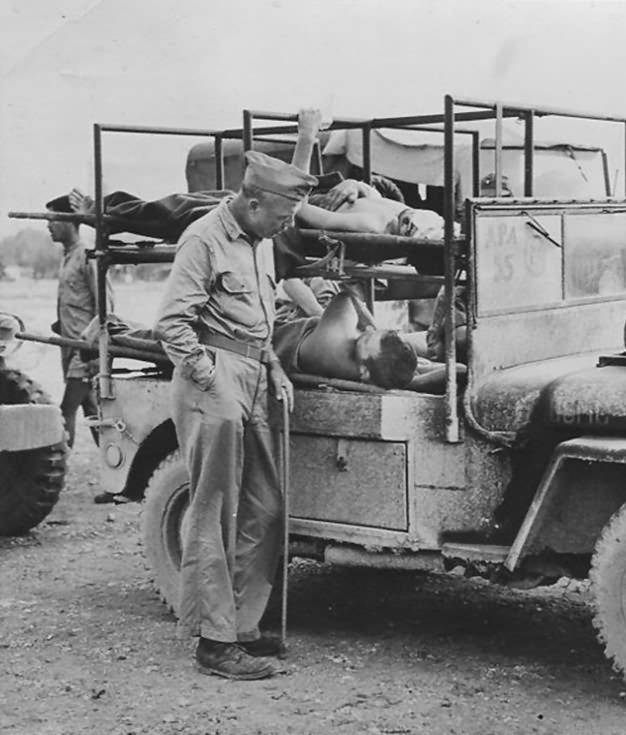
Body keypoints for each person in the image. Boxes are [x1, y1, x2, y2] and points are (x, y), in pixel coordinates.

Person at [154, 150, 314, 680]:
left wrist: (274, 368)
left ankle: (243, 625)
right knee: (213, 510)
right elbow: (172, 324)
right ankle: (214, 642)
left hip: (253, 375)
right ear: (251, 201)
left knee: (265, 506)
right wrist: (208, 376)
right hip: (214, 377)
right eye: (282, 215)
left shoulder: (261, 242)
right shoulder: (204, 238)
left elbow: (260, 320)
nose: (286, 226)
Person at [45, 194, 114, 452]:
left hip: (84, 354)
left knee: (66, 410)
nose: (48, 226)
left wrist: (96, 349)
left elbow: (105, 306)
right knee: (95, 416)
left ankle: (55, 469)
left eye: (52, 220)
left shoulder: (88, 256)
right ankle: (119, 477)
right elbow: (75, 306)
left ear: (69, 221)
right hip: (70, 350)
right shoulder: (67, 258)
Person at [272, 290, 419, 389]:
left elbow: (346, 297)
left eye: (365, 340)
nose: (368, 330)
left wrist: (372, 325)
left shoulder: (335, 341)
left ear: (365, 372)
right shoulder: (373, 373)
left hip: (277, 339)